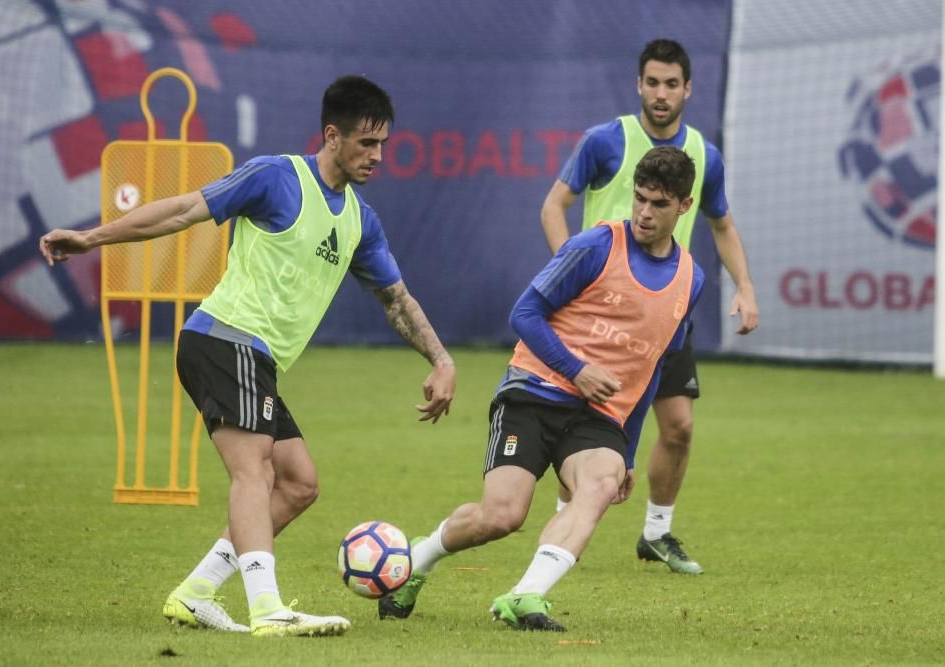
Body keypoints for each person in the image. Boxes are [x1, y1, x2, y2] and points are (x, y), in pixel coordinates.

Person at [39, 75, 456, 637]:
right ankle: (267, 610)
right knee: (253, 470)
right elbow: (183, 210)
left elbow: (396, 300)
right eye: (365, 143)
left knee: (300, 483)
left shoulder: (361, 220)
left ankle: (195, 593)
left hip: (256, 360)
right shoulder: (276, 177)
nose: (376, 156)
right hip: (225, 338)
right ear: (331, 136)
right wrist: (94, 238)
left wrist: (442, 360)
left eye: (382, 144)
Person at [378, 146, 704, 632]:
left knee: (599, 485)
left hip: (598, 416)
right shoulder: (595, 246)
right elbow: (523, 315)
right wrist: (576, 369)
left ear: (684, 205)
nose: (644, 212)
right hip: (534, 391)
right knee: (501, 515)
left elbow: (652, 368)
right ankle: (419, 560)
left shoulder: (689, 279)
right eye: (639, 198)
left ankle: (525, 595)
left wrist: (629, 453)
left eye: (658, 204)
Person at [539, 38, 759, 574]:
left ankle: (656, 533)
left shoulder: (704, 156)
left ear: (689, 89)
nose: (661, 94)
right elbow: (554, 206)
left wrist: (746, 287)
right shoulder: (605, 141)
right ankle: (562, 523)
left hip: (663, 315)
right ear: (639, 85)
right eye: (652, 82)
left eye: (671, 84)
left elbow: (721, 224)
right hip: (599, 317)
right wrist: (570, 275)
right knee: (578, 421)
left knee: (679, 426)